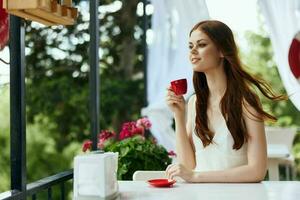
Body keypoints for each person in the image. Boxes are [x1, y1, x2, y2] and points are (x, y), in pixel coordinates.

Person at [165, 20, 286, 183]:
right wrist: (178, 117)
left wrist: (197, 176)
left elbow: (257, 171)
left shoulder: (246, 101)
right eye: (190, 46)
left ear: (221, 50)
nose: (193, 51)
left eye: (201, 45)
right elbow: (188, 164)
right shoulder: (194, 102)